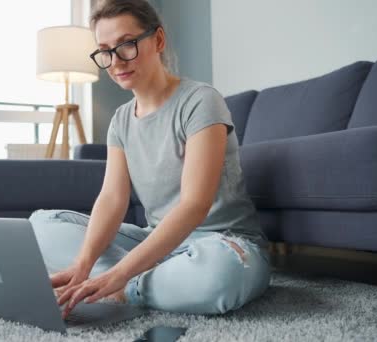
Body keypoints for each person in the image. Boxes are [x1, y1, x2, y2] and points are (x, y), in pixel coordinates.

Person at [28, 0, 270, 320]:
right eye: (105, 51)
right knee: (42, 224)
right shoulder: (121, 120)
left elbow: (194, 205)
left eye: (126, 45)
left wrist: (120, 276)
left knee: (219, 278)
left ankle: (123, 287)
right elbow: (113, 198)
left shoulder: (201, 101)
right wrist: (81, 265)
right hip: (158, 244)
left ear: (157, 40)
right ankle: (124, 278)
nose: (115, 62)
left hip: (221, 245)